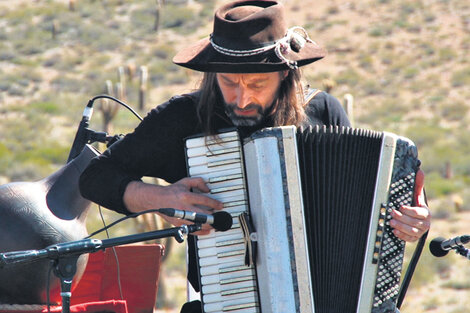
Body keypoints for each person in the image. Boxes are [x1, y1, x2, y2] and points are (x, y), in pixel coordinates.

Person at [79, 1, 431, 312]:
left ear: (284, 74)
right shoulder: (181, 118)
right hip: (225, 302)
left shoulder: (324, 112)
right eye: (229, 82)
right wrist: (163, 199)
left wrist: (411, 220)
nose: (242, 98)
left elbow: (367, 207)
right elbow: (95, 178)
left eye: (257, 85)